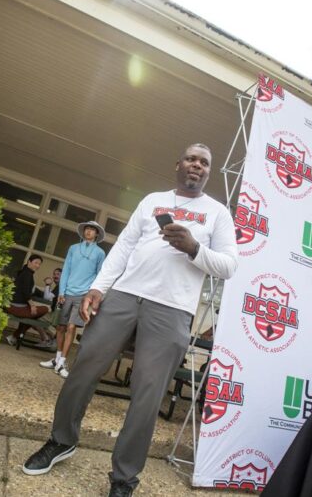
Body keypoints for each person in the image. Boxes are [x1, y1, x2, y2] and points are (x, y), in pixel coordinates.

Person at [23, 143, 239, 496]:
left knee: (147, 396)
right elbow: (123, 247)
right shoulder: (152, 200)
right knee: (83, 369)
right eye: (190, 159)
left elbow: (229, 265)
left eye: (204, 162)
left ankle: (123, 478)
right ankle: (61, 441)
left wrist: (193, 248)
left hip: (172, 309)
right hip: (124, 296)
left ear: (208, 172)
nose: (196, 165)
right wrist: (98, 288)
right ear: (178, 164)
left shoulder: (217, 213)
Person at [40, 221, 105, 378]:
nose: (88, 231)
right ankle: (57, 360)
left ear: (96, 234)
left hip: (83, 295)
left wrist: (90, 294)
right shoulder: (73, 248)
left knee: (71, 327)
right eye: (87, 229)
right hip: (67, 292)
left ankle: (62, 362)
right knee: (60, 327)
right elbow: (66, 270)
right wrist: (61, 291)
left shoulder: (100, 253)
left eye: (92, 230)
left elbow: (100, 275)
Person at [5, 254, 53, 348]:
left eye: (39, 264)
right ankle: (14, 336)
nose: (37, 266)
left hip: (16, 306)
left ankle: (14, 337)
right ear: (29, 262)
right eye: (36, 263)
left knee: (32, 316)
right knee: (44, 309)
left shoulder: (26, 272)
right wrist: (32, 305)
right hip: (15, 307)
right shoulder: (27, 274)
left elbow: (29, 290)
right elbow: (26, 292)